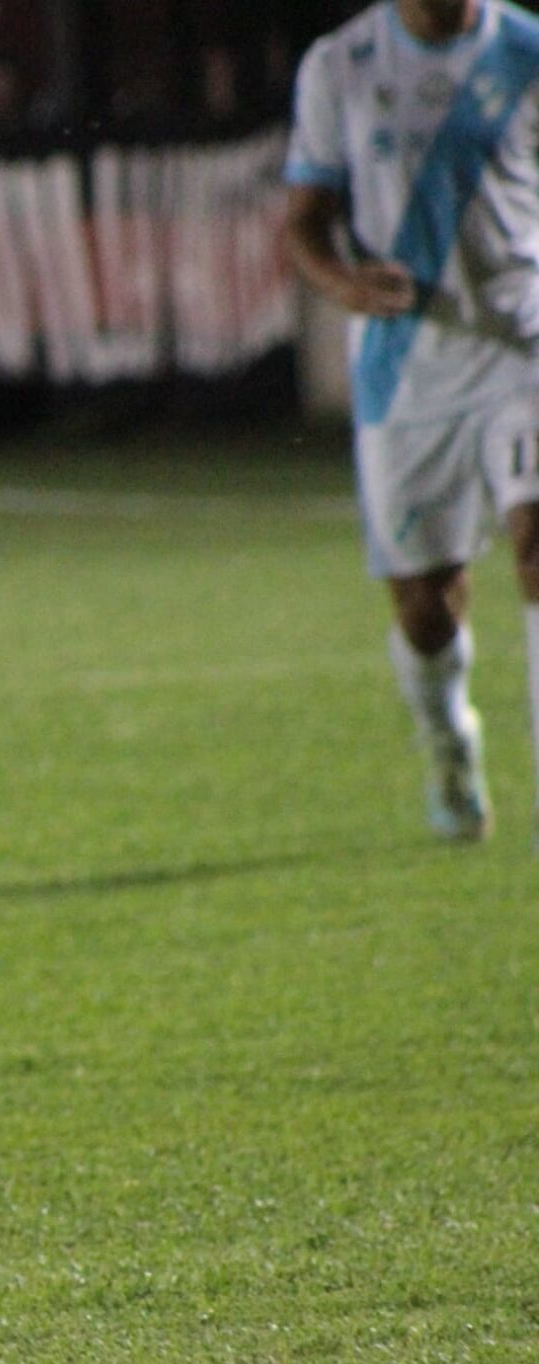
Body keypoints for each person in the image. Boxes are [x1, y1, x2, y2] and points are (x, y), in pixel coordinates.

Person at [284, 0, 539, 846]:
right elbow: (304, 223)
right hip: (407, 368)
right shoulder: (340, 65)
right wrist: (344, 284)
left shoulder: (527, 50)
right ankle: (450, 743)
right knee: (426, 604)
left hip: (521, 344)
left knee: (536, 539)